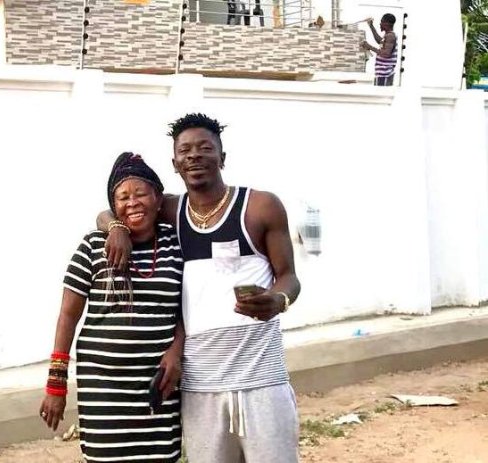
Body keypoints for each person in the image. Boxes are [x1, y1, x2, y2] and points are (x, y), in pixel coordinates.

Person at [98, 114, 301, 462]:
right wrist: (116, 228)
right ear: (175, 163)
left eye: (205, 148)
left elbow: (289, 277)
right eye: (185, 150)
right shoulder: (172, 211)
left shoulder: (260, 207)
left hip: (261, 381)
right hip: (201, 386)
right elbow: (111, 211)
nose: (194, 155)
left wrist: (278, 299)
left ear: (223, 157)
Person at [39, 152, 185, 462]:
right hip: (104, 388)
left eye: (141, 193)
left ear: (158, 199)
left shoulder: (176, 244)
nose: (132, 202)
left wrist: (176, 351)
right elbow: (68, 316)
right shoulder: (93, 245)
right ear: (113, 206)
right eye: (123, 197)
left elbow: (188, 309)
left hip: (158, 385)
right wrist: (56, 384)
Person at [362, 13, 398, 86]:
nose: (380, 24)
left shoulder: (390, 36)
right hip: (382, 74)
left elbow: (386, 54)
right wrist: (371, 25)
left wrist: (370, 47)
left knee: (382, 93)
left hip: (385, 75)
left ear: (387, 24)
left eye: (381, 22)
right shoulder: (387, 35)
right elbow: (379, 41)